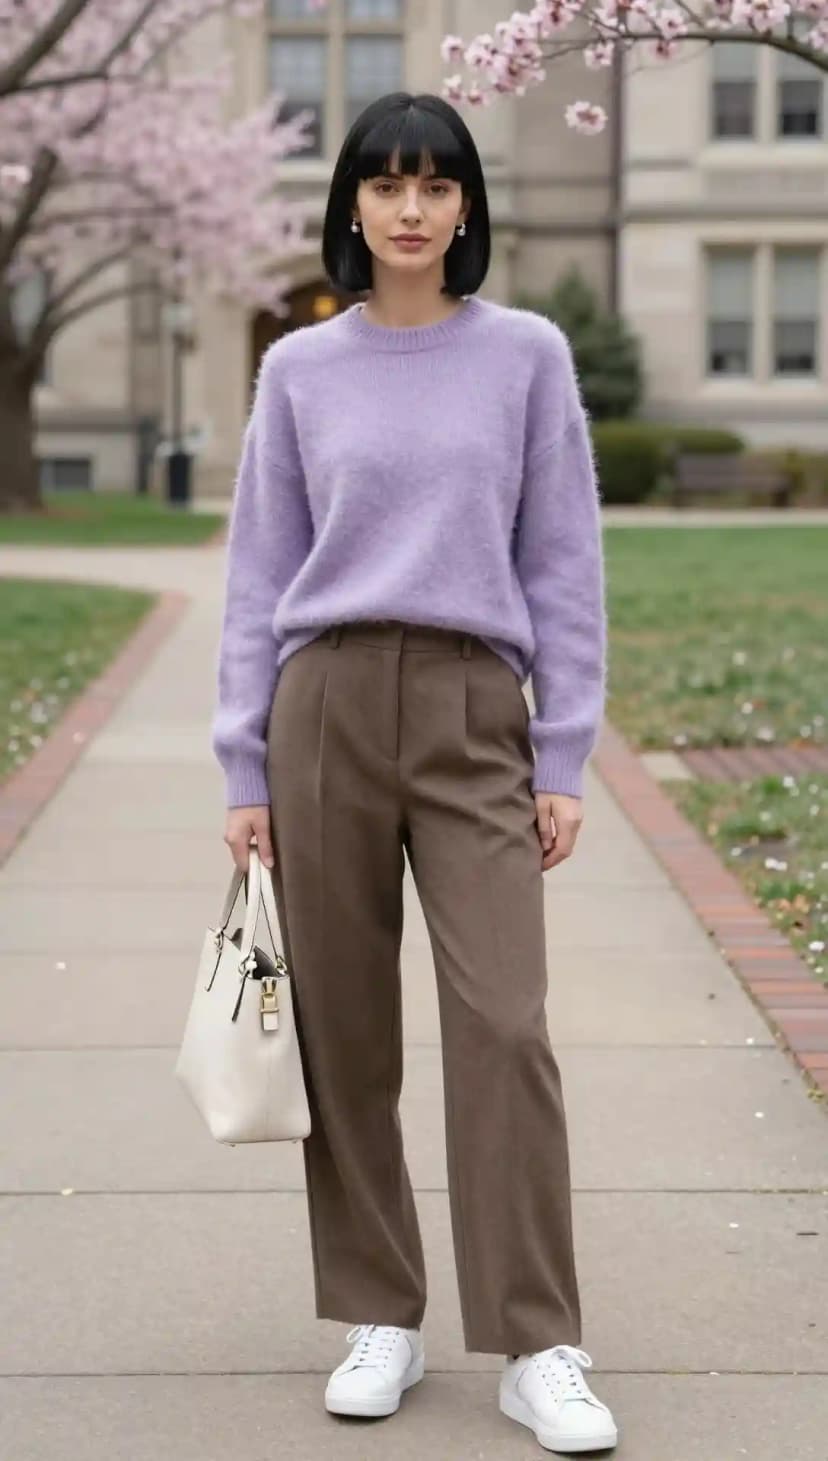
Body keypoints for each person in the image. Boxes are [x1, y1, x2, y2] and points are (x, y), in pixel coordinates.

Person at [212, 90, 618, 1456]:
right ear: (350, 203)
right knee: (346, 1033)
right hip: (321, 704)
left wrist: (562, 748)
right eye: (385, 184)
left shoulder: (526, 357)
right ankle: (378, 1310)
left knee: (506, 1021)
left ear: (465, 207)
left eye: (436, 185)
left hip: (470, 704)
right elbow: (259, 572)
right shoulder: (299, 371)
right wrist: (243, 764)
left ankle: (539, 1339)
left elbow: (563, 560)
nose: (410, 208)